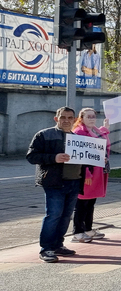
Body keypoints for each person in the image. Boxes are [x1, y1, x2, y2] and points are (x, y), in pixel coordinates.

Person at [27, 107, 83, 263]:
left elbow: (86, 159)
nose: (66, 120)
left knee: (66, 216)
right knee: (54, 215)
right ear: (56, 118)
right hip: (54, 182)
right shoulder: (44, 135)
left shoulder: (79, 138)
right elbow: (32, 156)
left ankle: (58, 245)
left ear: (74, 119)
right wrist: (54, 157)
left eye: (70, 117)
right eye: (63, 117)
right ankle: (46, 249)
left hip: (74, 181)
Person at [70, 108, 110, 244]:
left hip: (98, 170)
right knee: (82, 203)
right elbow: (80, 153)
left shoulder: (96, 131)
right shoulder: (79, 132)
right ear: (81, 118)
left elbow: (103, 146)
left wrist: (105, 129)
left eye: (93, 116)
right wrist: (85, 172)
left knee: (91, 201)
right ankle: (77, 232)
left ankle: (88, 228)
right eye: (88, 117)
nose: (92, 119)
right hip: (88, 172)